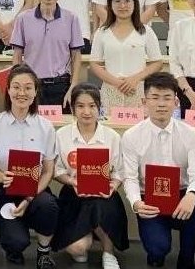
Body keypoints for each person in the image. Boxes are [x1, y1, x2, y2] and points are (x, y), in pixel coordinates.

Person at [121, 72, 195, 269]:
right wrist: (137, 203)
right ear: (144, 102)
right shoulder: (131, 136)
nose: (161, 104)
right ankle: (156, 253)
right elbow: (130, 178)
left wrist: (192, 195)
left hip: (181, 194)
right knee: (158, 248)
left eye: (167, 98)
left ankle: (186, 259)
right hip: (149, 198)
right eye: (155, 97)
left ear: (176, 102)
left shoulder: (190, 134)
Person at [0, 65, 60, 269]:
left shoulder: (46, 126)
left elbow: (48, 170)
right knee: (15, 243)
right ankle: (14, 242)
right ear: (7, 90)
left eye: (28, 87)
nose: (21, 93)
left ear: (35, 91)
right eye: (16, 87)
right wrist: (0, 176)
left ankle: (44, 252)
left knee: (48, 205)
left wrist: (30, 197)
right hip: (6, 191)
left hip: (36, 192)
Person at [52, 83, 127, 269]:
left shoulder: (112, 136)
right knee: (77, 249)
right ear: (72, 109)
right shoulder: (61, 135)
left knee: (99, 206)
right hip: (73, 193)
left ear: (99, 107)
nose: (86, 111)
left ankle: (108, 253)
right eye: (80, 106)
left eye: (92, 106)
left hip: (104, 193)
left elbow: (120, 171)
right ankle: (84, 240)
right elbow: (56, 170)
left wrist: (114, 185)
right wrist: (72, 181)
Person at [12, 0, 82, 109]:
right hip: (31, 85)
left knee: (60, 122)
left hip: (61, 86)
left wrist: (73, 86)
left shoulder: (71, 18)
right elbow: (17, 55)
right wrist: (17, 84)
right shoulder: (23, 18)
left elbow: (76, 55)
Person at [89, 0, 164, 108]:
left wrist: (135, 79)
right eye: (117, 1)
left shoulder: (145, 31)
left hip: (137, 90)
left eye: (127, 1)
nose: (122, 5)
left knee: (137, 120)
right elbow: (94, 63)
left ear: (135, 4)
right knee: (110, 120)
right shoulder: (102, 32)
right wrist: (116, 82)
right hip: (111, 91)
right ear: (110, 5)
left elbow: (157, 63)